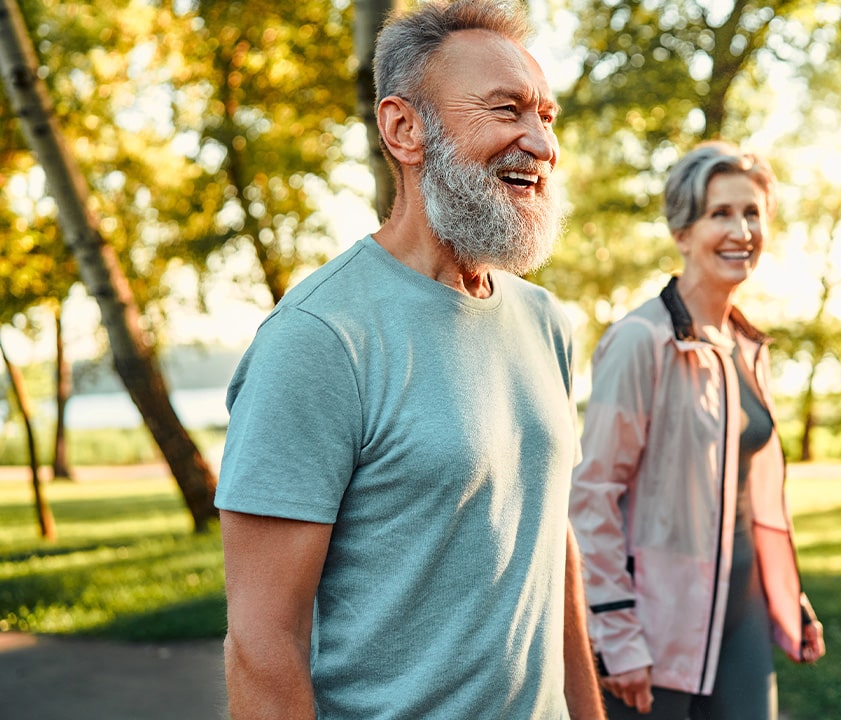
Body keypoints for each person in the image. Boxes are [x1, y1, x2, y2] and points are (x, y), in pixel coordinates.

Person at [216, 2, 604, 718]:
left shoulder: (547, 322)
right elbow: (262, 641)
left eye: (546, 116)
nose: (542, 143)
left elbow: (553, 551)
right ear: (404, 129)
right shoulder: (319, 339)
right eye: (506, 110)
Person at [569, 141, 826, 719]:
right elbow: (591, 496)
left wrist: (789, 596)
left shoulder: (749, 346)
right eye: (721, 213)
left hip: (744, 616)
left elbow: (748, 494)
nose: (741, 230)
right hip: (657, 625)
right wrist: (615, 633)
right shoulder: (642, 341)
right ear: (683, 233)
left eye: (752, 212)